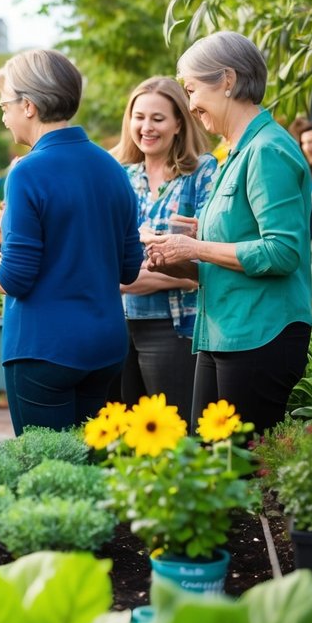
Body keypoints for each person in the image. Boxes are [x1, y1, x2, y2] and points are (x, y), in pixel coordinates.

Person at [0, 50, 143, 434]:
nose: (3, 116)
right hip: (106, 346)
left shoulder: (28, 172)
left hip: (45, 348)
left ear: (28, 106)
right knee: (93, 473)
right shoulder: (112, 167)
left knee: (48, 477)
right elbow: (128, 268)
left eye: (5, 105)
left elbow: (15, 280)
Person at [146, 31, 312, 433]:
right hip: (224, 333)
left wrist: (197, 246)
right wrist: (176, 255)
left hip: (258, 336)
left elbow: (282, 251)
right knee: (212, 470)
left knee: (240, 476)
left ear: (227, 80)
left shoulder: (267, 150)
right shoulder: (235, 152)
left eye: (192, 90)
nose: (190, 105)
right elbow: (230, 250)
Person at [111, 77, 218, 416]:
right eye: (138, 117)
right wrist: (164, 262)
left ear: (178, 123)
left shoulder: (202, 172)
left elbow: (204, 264)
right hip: (119, 326)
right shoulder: (119, 174)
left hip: (175, 329)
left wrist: (128, 276)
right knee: (123, 438)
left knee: (175, 436)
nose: (146, 127)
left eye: (157, 118)